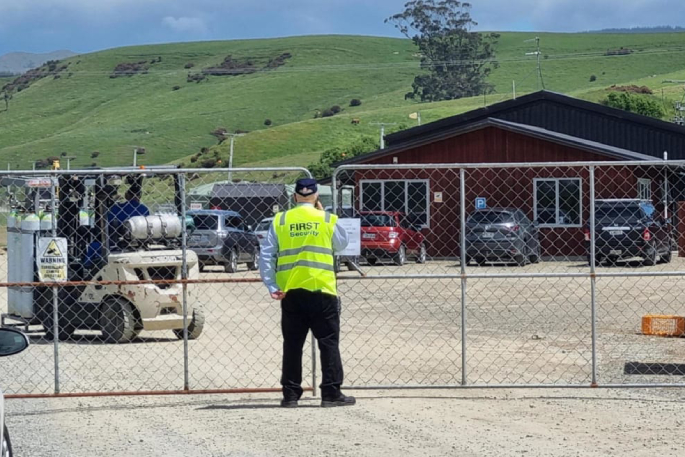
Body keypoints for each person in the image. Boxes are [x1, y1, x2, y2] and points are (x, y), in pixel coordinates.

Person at [259, 178, 355, 408]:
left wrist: (272, 285)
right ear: (316, 197)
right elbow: (342, 244)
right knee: (328, 342)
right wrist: (322, 212)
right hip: (322, 289)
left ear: (294, 197)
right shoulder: (326, 219)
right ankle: (331, 393)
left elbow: (266, 255)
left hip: (290, 292)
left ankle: (291, 394)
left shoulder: (281, 219)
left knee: (292, 344)